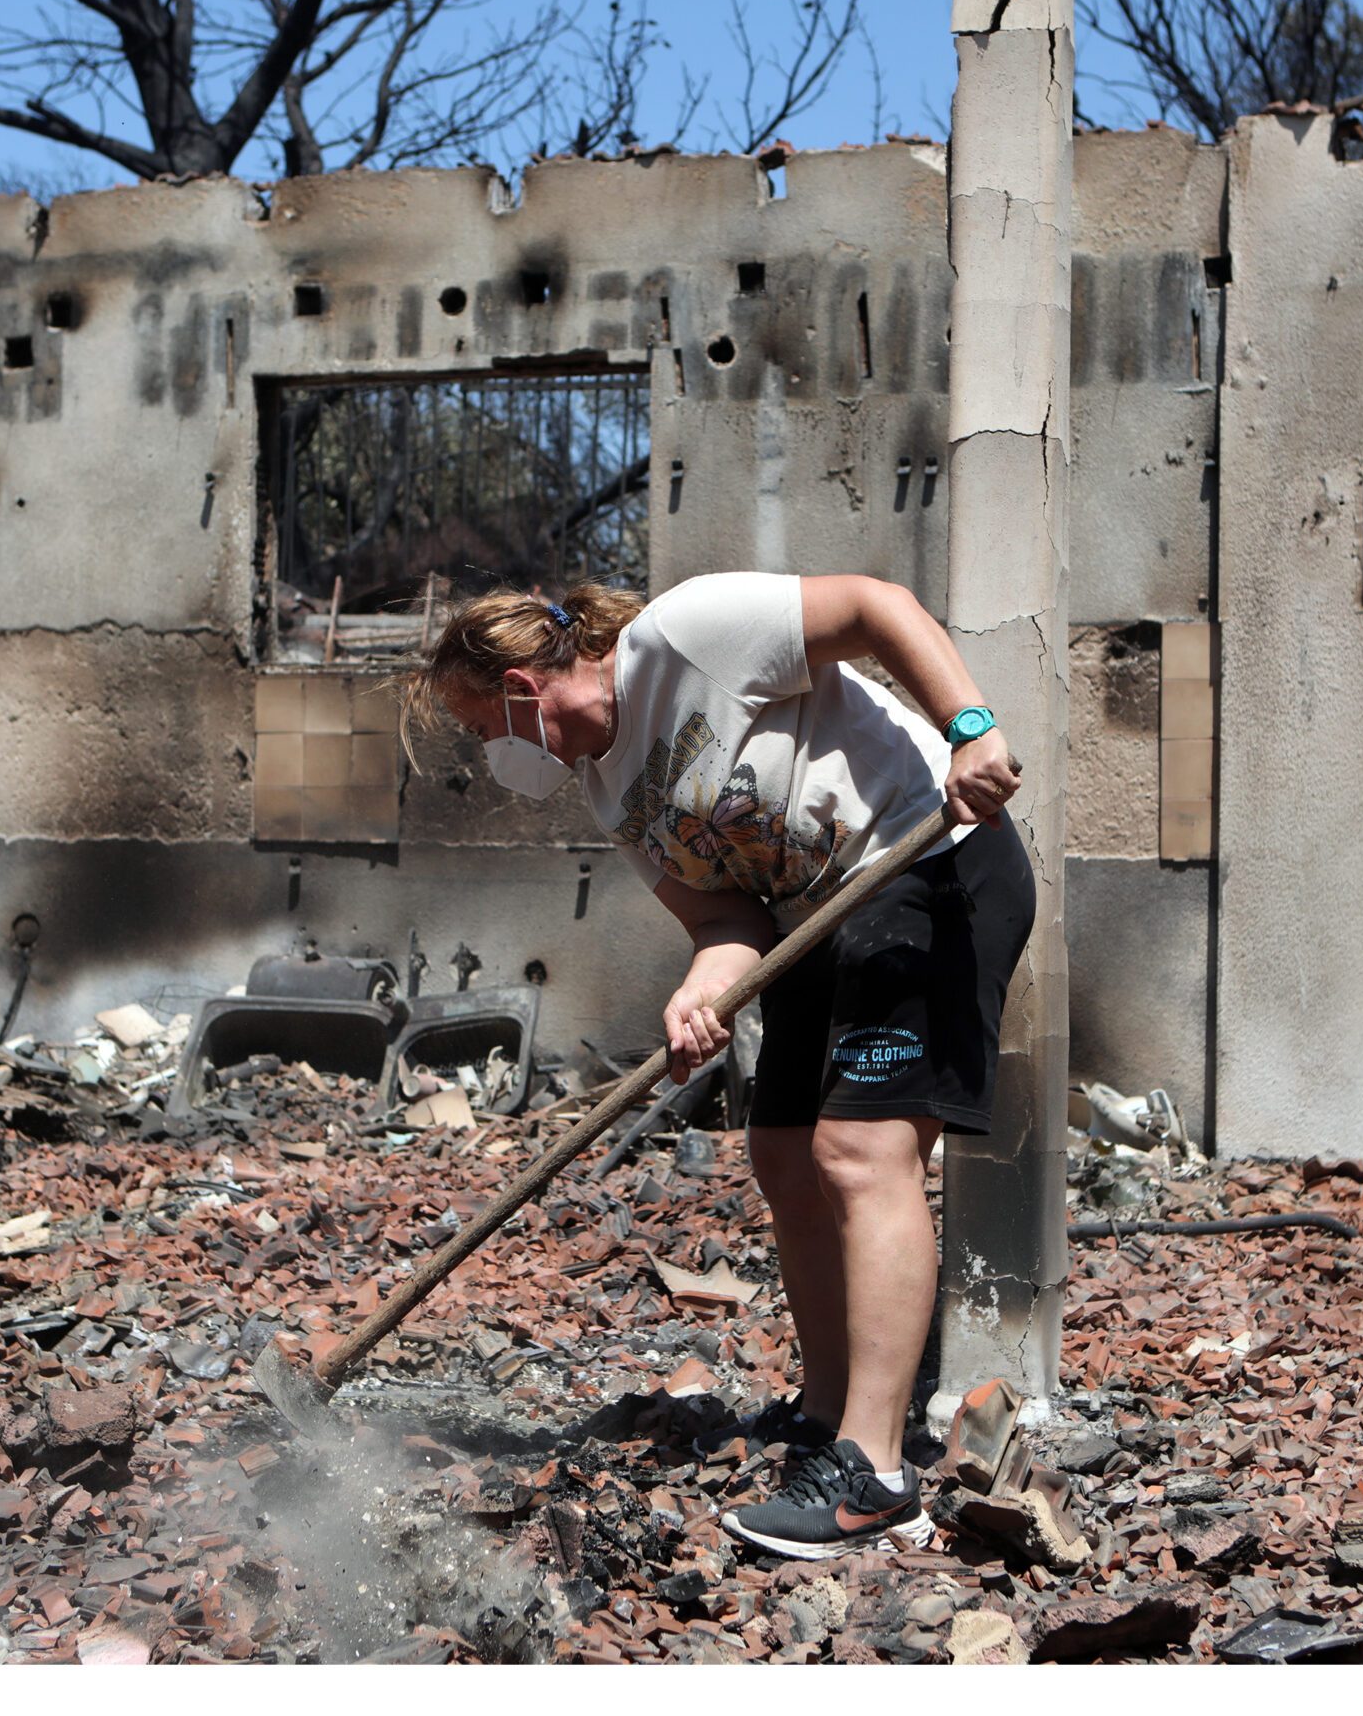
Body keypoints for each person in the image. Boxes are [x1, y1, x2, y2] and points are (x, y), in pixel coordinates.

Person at [409, 571, 1031, 1559]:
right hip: (812, 921)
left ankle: (873, 1475)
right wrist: (703, 990)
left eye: (482, 727)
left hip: (928, 868)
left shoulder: (685, 637)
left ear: (522, 690)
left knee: (861, 1154)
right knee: (784, 1156)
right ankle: (827, 1421)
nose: (491, 756)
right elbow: (726, 917)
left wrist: (971, 726)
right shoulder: (610, 786)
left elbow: (875, 607)